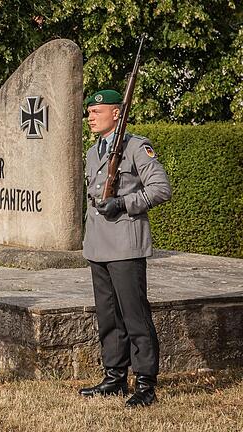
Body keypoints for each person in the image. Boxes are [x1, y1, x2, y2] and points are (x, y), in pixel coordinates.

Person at [78, 89, 172, 408]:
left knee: (134, 316)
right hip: (98, 245)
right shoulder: (92, 153)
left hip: (126, 245)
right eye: (88, 112)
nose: (89, 117)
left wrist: (123, 202)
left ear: (117, 113)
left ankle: (145, 382)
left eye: (96, 111)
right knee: (108, 317)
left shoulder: (135, 146)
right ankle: (114, 377)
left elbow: (160, 189)